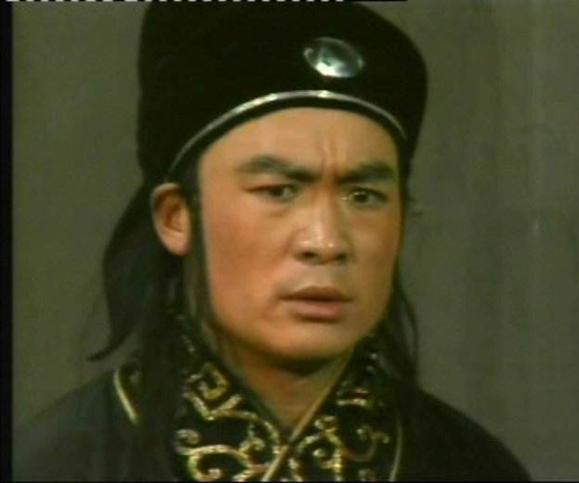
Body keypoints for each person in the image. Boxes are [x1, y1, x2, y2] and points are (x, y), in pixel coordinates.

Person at [14, 4, 529, 481]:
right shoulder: (59, 464)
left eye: (364, 196)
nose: (326, 242)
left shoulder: (471, 467)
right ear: (176, 217)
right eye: (278, 191)